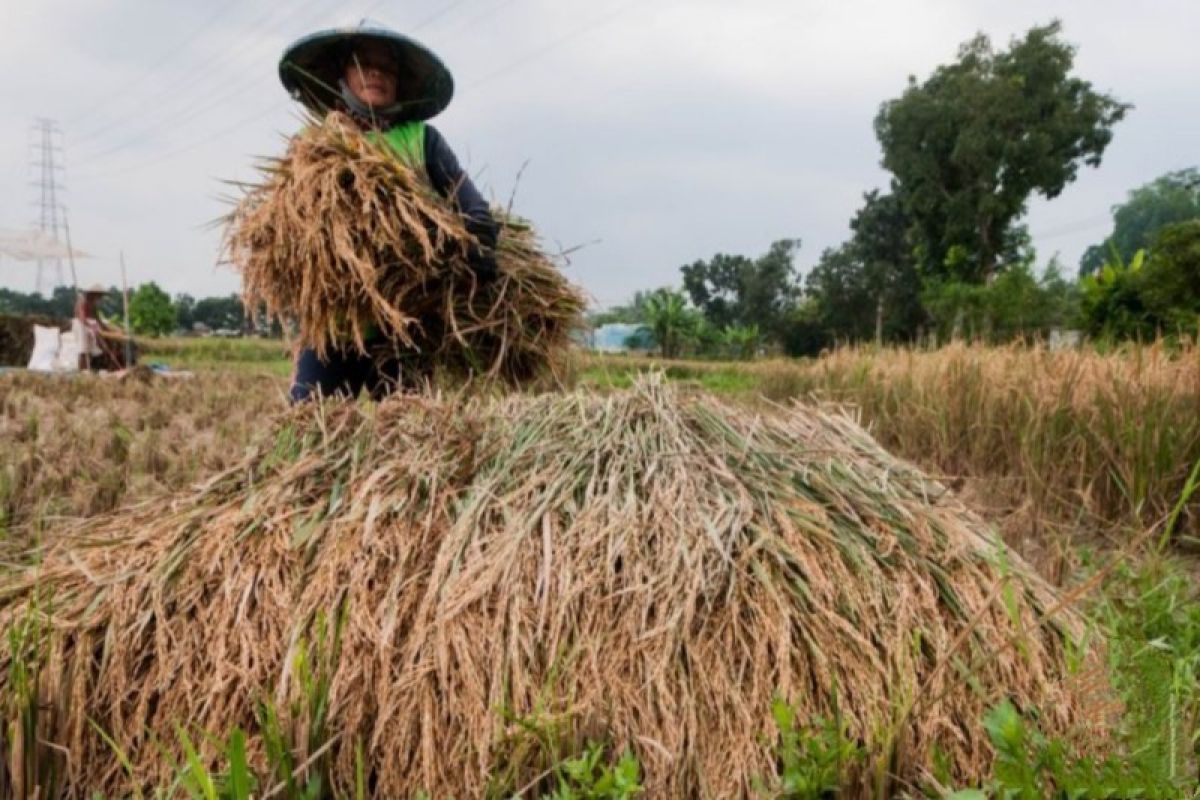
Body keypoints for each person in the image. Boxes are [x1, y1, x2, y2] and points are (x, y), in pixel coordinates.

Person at [278, 20, 499, 402]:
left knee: (413, 437)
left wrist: (471, 252)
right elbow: (285, 226)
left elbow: (474, 210)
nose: (376, 73)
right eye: (364, 64)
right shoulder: (313, 144)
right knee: (306, 434)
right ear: (343, 75)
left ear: (399, 82)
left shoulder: (421, 139)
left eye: (387, 67)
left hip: (406, 324)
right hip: (333, 327)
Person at [74, 284, 130, 370]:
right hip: (81, 325)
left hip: (91, 324)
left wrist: (107, 329)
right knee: (83, 349)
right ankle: (82, 370)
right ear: (93, 293)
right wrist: (91, 326)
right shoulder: (83, 301)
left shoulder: (93, 304)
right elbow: (81, 317)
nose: (100, 297)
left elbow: (98, 319)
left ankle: (92, 368)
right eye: (99, 294)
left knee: (93, 349)